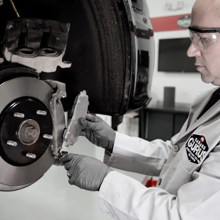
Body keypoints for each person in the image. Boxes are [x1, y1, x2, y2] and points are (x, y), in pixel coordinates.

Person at [60, 0, 220, 219]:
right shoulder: (208, 100)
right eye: (192, 37)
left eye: (204, 39)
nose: (191, 50)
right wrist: (113, 140)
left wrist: (106, 180)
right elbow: (176, 157)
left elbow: (182, 216)